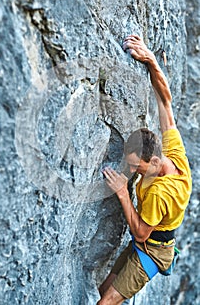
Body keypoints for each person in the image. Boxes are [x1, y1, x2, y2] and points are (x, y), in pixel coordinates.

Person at [97, 35, 192, 304]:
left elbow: (140, 232)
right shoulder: (172, 153)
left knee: (105, 303)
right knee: (105, 292)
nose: (132, 171)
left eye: (136, 167)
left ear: (152, 162)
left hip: (153, 252)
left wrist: (122, 193)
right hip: (147, 242)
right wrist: (150, 59)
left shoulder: (162, 193)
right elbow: (165, 102)